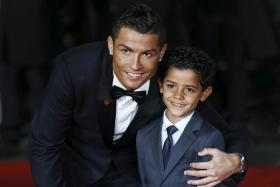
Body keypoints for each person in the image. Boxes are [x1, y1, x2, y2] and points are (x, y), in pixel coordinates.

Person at [28, 3, 246, 187]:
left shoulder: (171, 79)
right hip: (76, 174)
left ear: (161, 53)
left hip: (136, 178)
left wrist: (237, 162)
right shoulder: (74, 69)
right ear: (111, 45)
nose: (135, 65)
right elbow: (44, 144)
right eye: (126, 51)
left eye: (147, 54)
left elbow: (228, 135)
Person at [136, 46, 237, 187]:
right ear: (161, 85)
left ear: (204, 93)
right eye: (171, 86)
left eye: (189, 89)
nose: (178, 95)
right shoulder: (143, 135)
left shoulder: (210, 137)